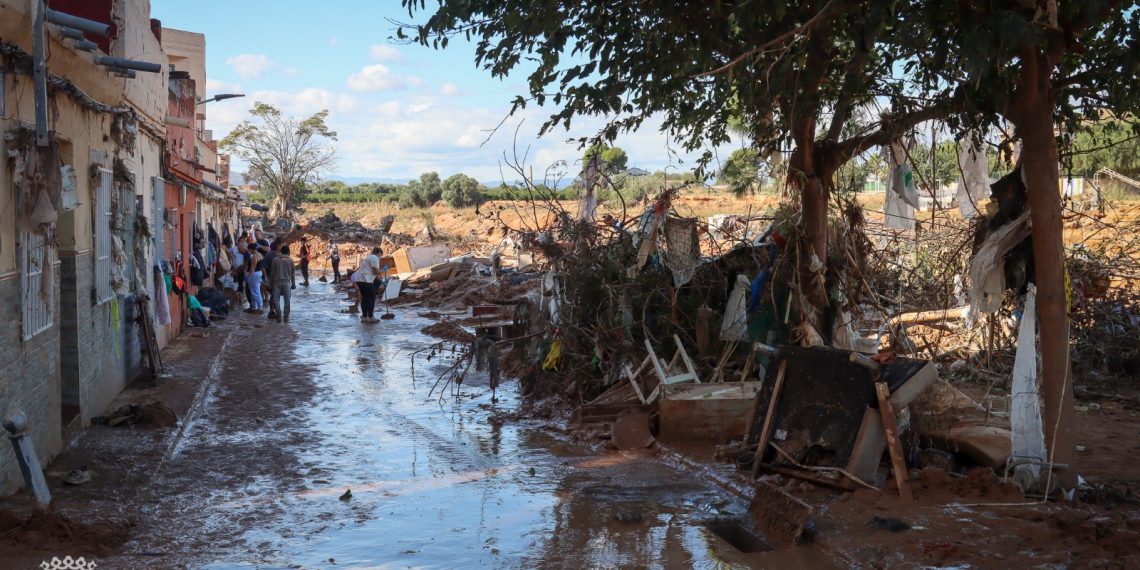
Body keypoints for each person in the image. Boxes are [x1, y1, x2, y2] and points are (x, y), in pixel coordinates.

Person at [354, 247, 383, 323]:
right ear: (379, 253)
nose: (380, 257)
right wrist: (383, 271)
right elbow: (375, 271)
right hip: (365, 280)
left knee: (365, 298)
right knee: (371, 297)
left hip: (360, 279)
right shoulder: (374, 258)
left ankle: (364, 316)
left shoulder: (369, 257)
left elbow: (375, 274)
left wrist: (381, 281)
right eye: (381, 255)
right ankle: (370, 317)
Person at [269, 244, 297, 322]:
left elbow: (272, 274)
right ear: (288, 252)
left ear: (281, 252)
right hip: (287, 283)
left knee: (276, 299)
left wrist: (270, 284)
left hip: (276, 282)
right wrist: (293, 284)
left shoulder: (275, 260)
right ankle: (286, 317)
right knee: (287, 300)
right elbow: (293, 274)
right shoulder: (291, 260)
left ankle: (278, 314)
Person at [261, 242, 279, 319]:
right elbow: (263, 267)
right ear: (277, 246)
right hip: (271, 279)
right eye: (280, 244)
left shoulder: (280, 255)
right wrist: (266, 278)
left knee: (275, 295)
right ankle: (273, 311)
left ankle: (272, 311)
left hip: (278, 279)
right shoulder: (269, 255)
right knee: (274, 295)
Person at [245, 244, 265, 313]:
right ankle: (253, 306)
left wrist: (249, 276)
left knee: (255, 291)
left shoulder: (254, 256)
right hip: (259, 273)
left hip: (254, 274)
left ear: (251, 249)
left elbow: (252, 267)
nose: (248, 251)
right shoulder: (260, 254)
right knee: (253, 291)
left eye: (249, 249)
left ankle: (260, 307)